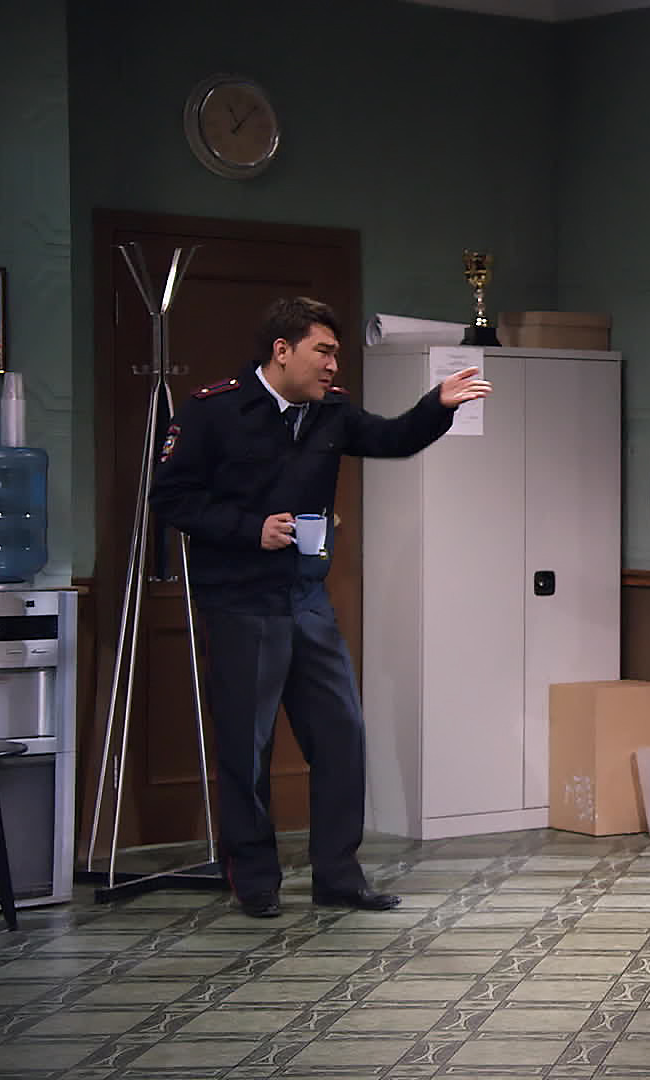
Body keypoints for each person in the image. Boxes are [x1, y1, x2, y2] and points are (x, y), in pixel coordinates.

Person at [150, 296, 492, 919]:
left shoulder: (330, 412)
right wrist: (249, 528)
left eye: (336, 353)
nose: (334, 365)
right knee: (247, 747)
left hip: (307, 598)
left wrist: (436, 406)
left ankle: (337, 874)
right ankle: (255, 878)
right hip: (240, 601)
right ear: (282, 351)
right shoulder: (215, 410)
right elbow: (171, 497)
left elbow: (391, 438)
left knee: (341, 736)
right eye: (324, 352)